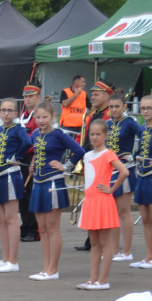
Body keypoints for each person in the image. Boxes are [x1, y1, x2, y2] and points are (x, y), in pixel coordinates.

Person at [27, 100, 84, 281]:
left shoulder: (59, 134)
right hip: (38, 182)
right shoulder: (35, 133)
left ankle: (53, 269)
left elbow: (79, 151)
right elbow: (37, 151)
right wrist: (33, 162)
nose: (41, 120)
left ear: (53, 117)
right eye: (38, 117)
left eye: (45, 117)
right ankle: (46, 268)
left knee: (52, 228)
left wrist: (66, 166)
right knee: (42, 228)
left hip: (53, 183)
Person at [76, 119, 128, 291]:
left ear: (105, 135)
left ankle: (103, 279)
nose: (95, 137)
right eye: (92, 134)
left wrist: (112, 188)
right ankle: (93, 278)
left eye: (98, 134)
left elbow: (124, 171)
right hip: (90, 201)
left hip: (103, 201)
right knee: (94, 241)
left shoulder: (108, 154)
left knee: (105, 242)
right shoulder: (87, 156)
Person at [0, 97, 31, 274]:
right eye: (3, 110)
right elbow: (2, 150)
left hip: (11, 175)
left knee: (11, 219)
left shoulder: (18, 129)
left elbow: (27, 143)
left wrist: (16, 157)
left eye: (9, 110)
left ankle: (13, 260)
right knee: (0, 218)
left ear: (15, 113)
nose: (6, 113)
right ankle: (5, 258)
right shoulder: (0, 130)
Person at [73, 80, 112, 252]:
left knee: (99, 201)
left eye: (96, 94)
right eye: (92, 94)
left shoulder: (108, 116)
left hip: (102, 160)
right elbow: (86, 138)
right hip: (90, 158)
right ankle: (91, 240)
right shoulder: (93, 114)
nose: (92, 97)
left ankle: (103, 243)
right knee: (90, 198)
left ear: (106, 95)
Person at [130, 94, 152, 271]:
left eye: (149, 108)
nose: (145, 111)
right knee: (144, 218)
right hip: (142, 174)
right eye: (142, 108)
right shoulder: (143, 129)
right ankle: (148, 256)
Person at [105, 92, 141, 263]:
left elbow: (146, 138)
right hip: (108, 171)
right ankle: (113, 250)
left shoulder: (130, 122)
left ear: (124, 106)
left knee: (123, 212)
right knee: (112, 213)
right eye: (111, 107)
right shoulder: (107, 124)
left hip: (124, 170)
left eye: (117, 106)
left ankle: (127, 251)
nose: (114, 110)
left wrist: (135, 155)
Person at [17, 84, 41, 242]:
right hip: (20, 157)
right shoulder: (23, 114)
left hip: (33, 156)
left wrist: (34, 160)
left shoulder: (39, 115)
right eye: (26, 96)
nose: (28, 99)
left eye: (31, 96)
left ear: (38, 97)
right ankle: (25, 226)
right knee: (22, 194)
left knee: (32, 194)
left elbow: (39, 140)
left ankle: (34, 229)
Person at [59, 75, 86, 139]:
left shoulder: (84, 94)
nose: (84, 84)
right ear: (76, 83)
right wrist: (76, 94)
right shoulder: (65, 91)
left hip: (80, 128)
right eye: (83, 82)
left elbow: (91, 108)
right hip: (67, 127)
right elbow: (65, 104)